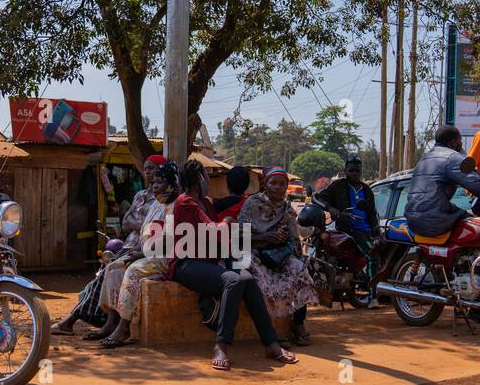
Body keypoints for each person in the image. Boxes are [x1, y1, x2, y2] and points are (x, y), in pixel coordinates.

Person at [169, 158, 297, 371]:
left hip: (209, 261)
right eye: (206, 176)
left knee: (247, 278)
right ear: (199, 178)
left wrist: (233, 258)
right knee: (234, 280)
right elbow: (215, 230)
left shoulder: (207, 203)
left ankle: (271, 343)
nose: (208, 181)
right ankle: (221, 345)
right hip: (186, 264)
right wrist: (227, 222)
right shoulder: (185, 202)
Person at [52, 154, 164, 337]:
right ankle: (82, 320)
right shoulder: (140, 195)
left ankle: (74, 320)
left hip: (142, 249)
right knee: (99, 278)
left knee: (104, 274)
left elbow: (150, 227)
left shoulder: (161, 201)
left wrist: (138, 223)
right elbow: (125, 222)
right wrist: (140, 223)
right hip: (127, 246)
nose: (147, 172)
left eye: (152, 168)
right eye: (145, 168)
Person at [98, 161, 181, 349]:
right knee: (113, 267)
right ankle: (111, 320)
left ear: (170, 183)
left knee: (133, 272)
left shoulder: (175, 206)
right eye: (154, 183)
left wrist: (140, 254)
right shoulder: (157, 203)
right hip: (145, 252)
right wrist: (136, 252)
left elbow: (166, 240)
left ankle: (124, 326)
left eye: (160, 182)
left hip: (163, 258)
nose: (155, 185)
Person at [239, 166, 318, 346]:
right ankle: (274, 330)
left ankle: (298, 324)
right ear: (265, 184)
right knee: (265, 282)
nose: (277, 187)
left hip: (280, 255)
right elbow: (239, 237)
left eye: (282, 184)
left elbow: (294, 238)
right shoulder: (252, 204)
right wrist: (264, 237)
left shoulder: (287, 209)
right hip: (255, 253)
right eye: (273, 183)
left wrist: (298, 255)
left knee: (300, 271)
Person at [403, 126, 480, 238]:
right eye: (460, 142)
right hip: (435, 219)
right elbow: (476, 185)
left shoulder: (424, 158)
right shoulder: (452, 157)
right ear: (453, 143)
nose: (461, 146)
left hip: (412, 220)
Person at [315, 155, 379, 295]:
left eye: (357, 171)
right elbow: (316, 197)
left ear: (361, 171)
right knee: (372, 256)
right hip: (349, 229)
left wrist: (376, 229)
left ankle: (374, 292)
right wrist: (331, 209)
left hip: (365, 231)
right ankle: (370, 294)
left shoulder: (367, 190)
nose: (354, 173)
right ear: (345, 171)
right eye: (351, 171)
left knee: (377, 254)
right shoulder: (337, 186)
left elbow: (373, 213)